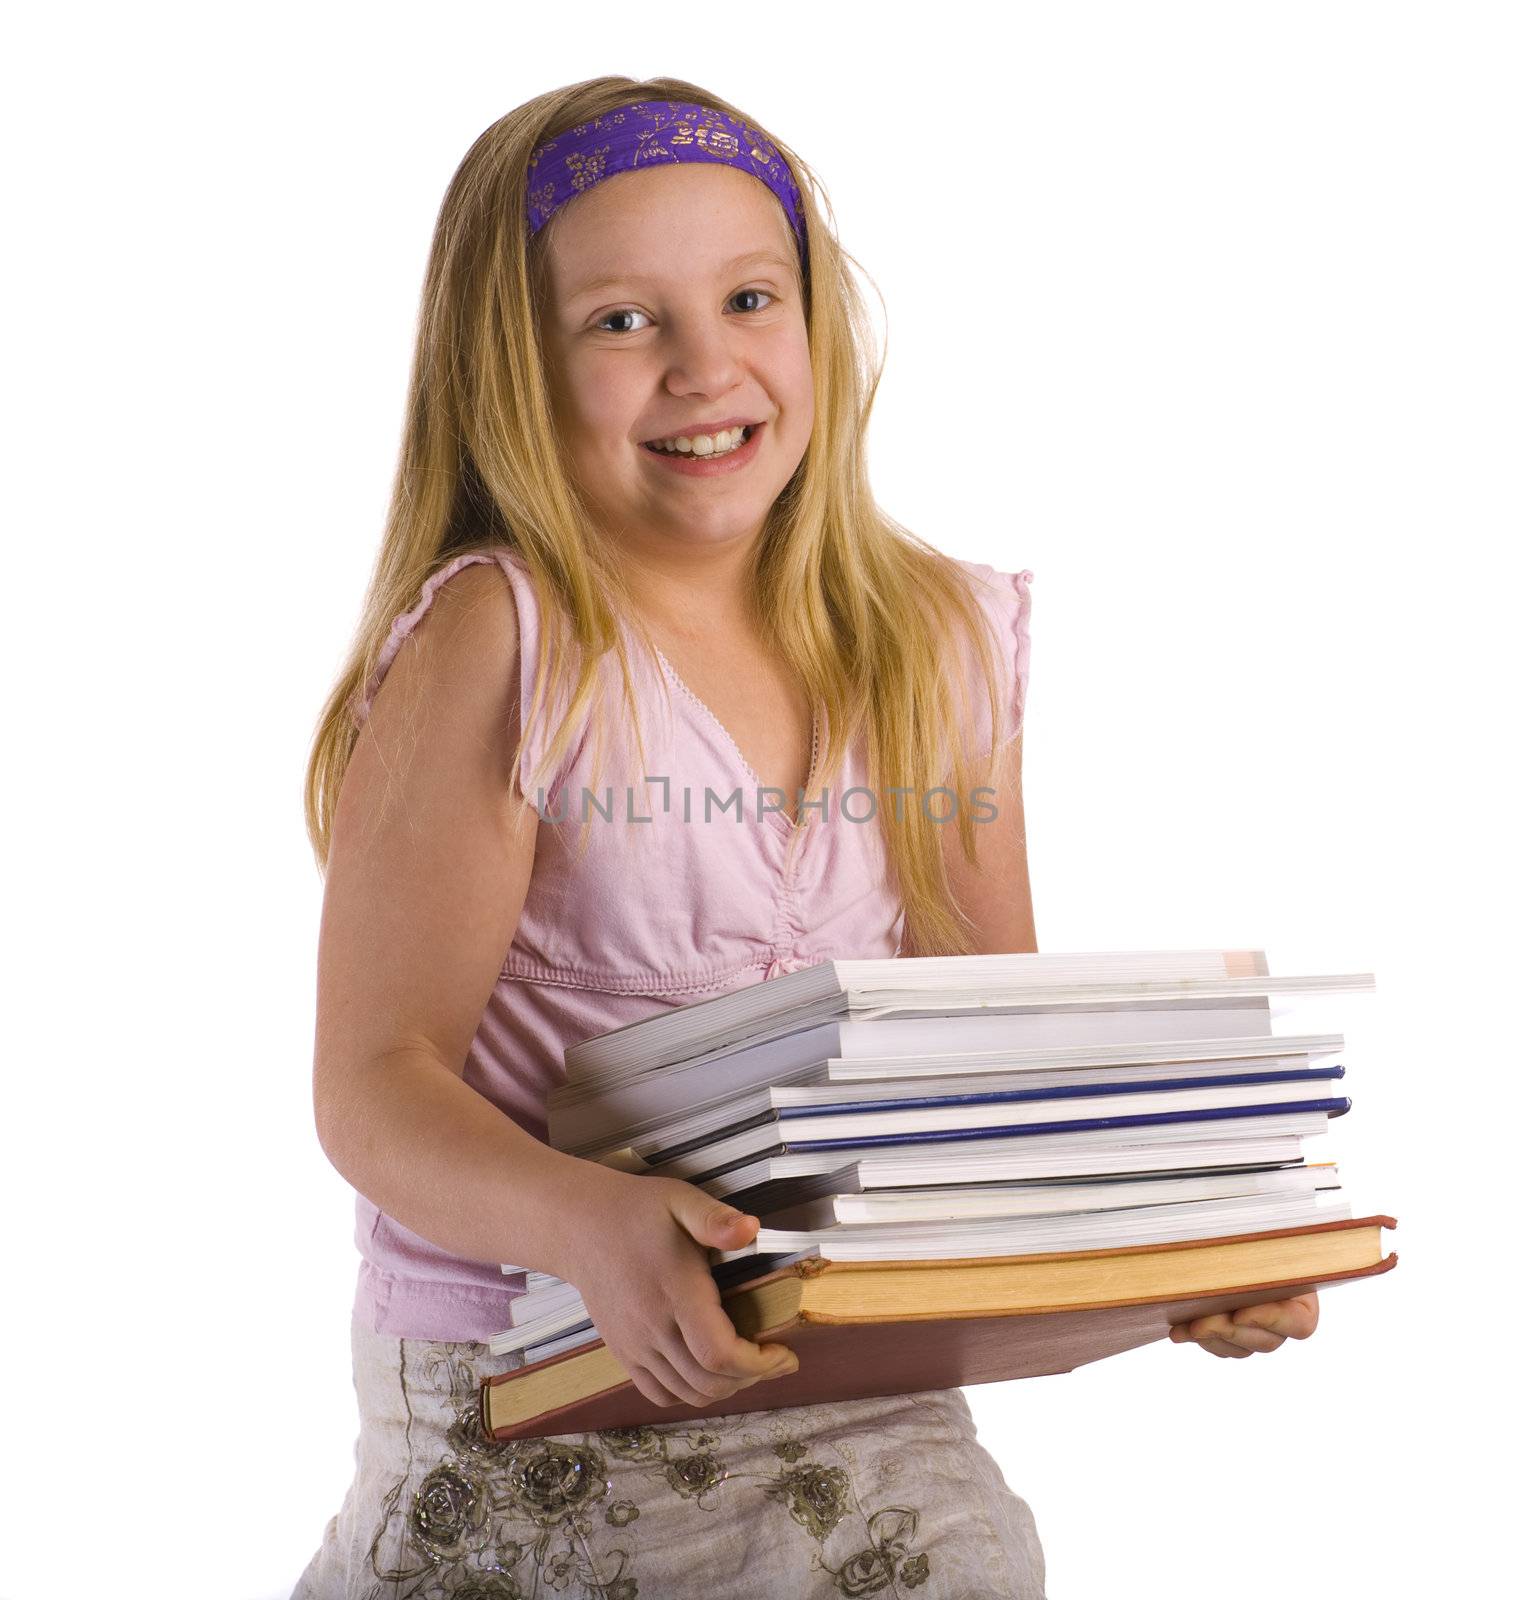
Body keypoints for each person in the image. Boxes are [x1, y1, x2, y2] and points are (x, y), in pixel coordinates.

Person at [293, 77, 1316, 1600]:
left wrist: (1181, 1243)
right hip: (531, 1415)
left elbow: (991, 1056)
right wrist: (597, 1226)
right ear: (512, 370)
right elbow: (374, 1091)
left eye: (750, 299)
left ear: (821, 329)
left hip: (855, 1384)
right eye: (623, 323)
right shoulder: (507, 642)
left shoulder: (935, 644)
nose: (708, 368)